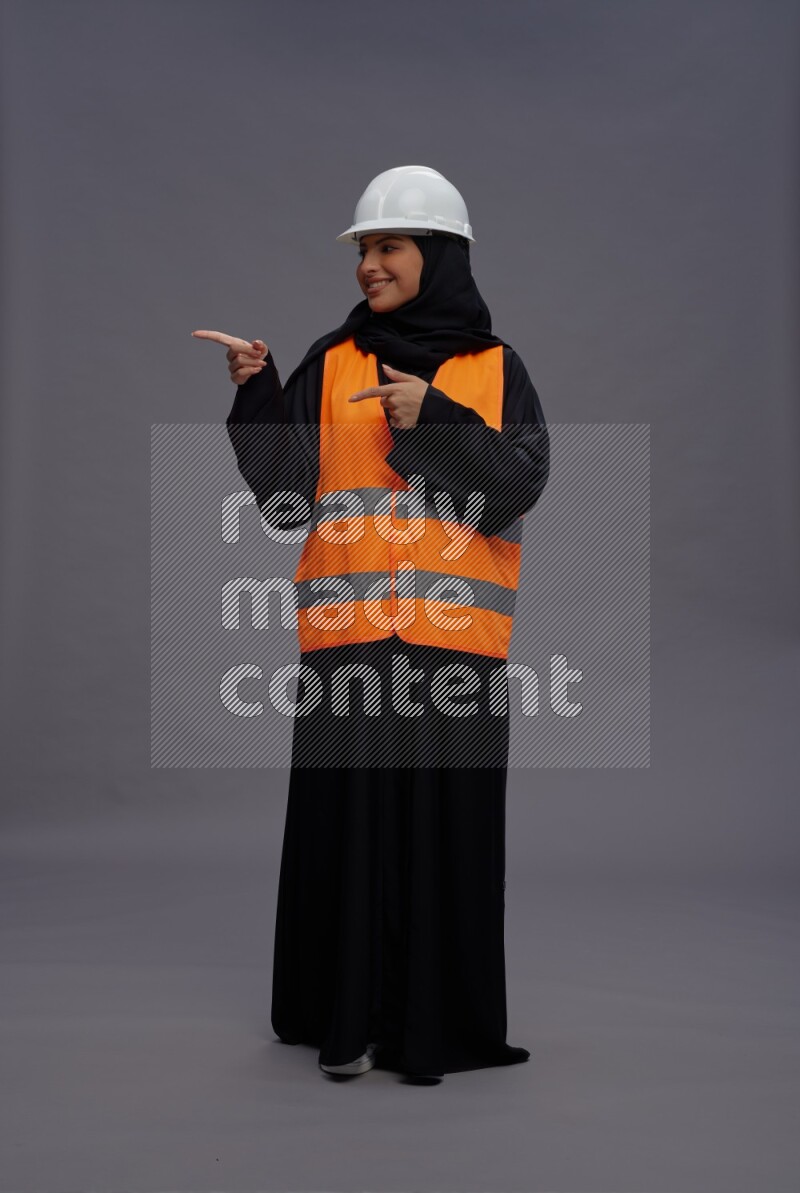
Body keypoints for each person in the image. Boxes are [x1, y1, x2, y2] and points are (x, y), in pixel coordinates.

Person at [192, 165, 550, 1082]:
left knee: (445, 843)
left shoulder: (495, 368)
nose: (369, 266)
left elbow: (513, 490)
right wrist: (257, 392)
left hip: (454, 653)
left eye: (388, 247)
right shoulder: (332, 360)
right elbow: (282, 500)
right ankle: (341, 1023)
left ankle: (435, 1030)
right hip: (347, 646)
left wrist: (433, 420)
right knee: (344, 840)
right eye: (364, 250)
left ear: (438, 255)